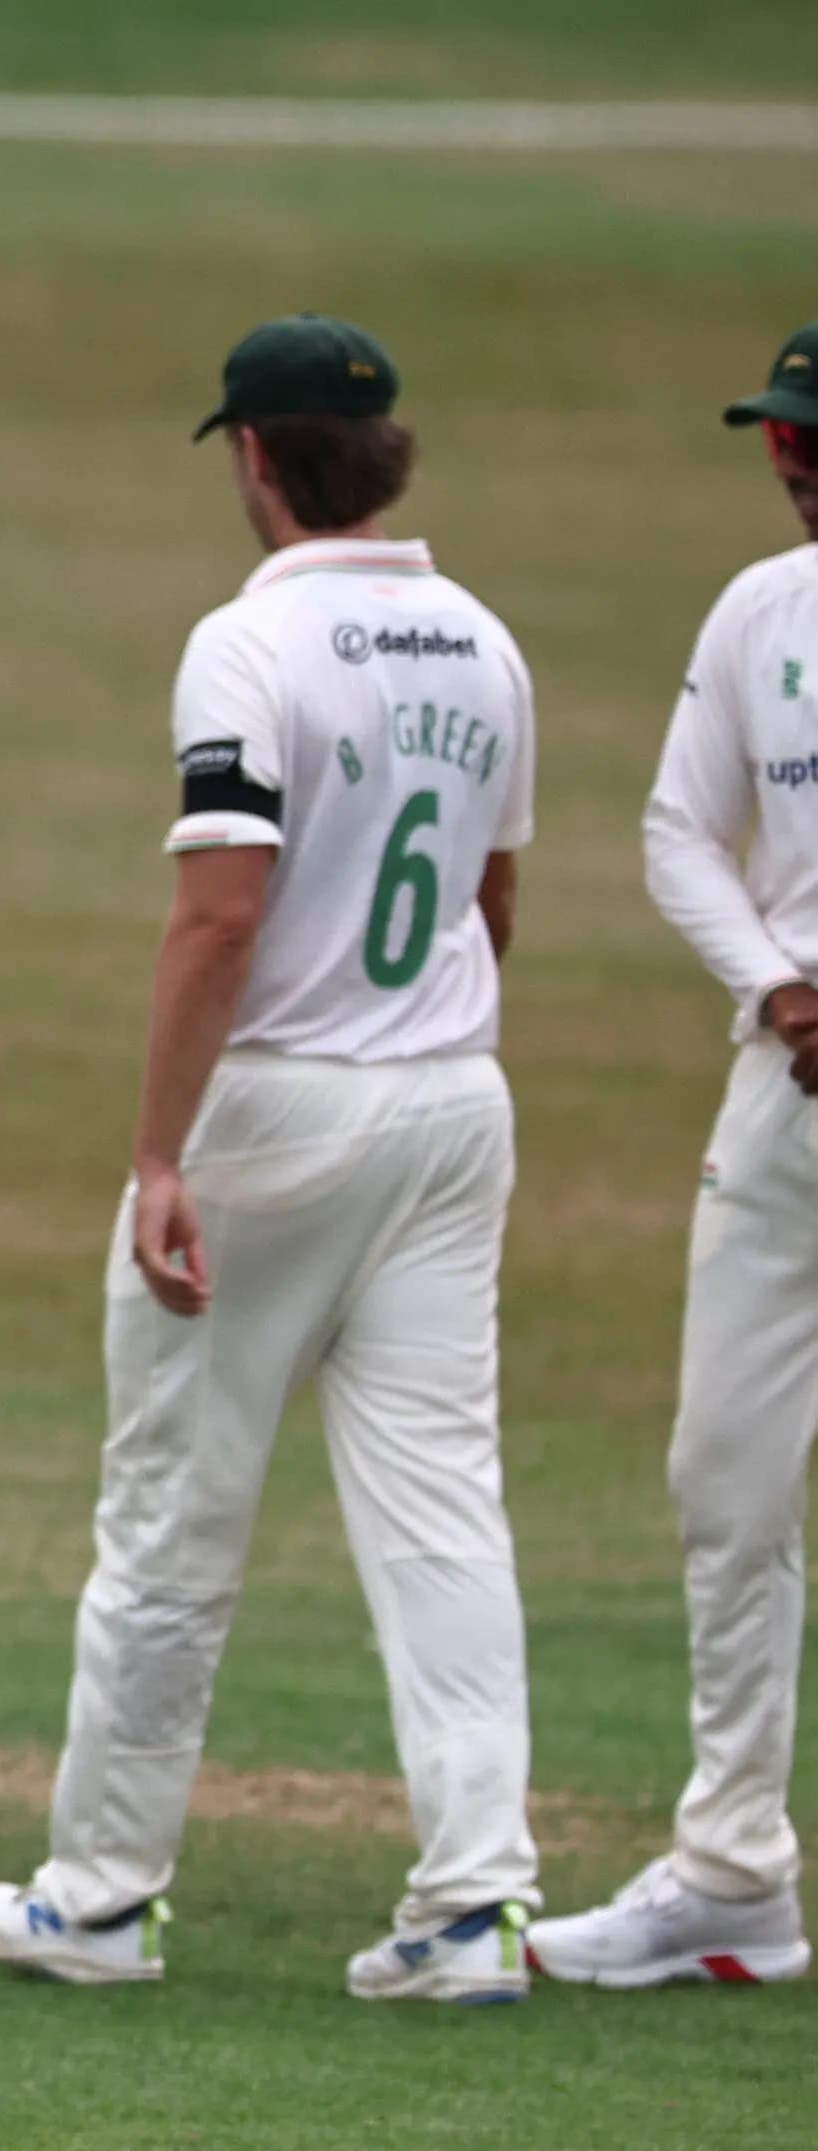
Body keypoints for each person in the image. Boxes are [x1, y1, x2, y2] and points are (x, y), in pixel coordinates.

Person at [0, 318, 543, 2000]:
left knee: (169, 1515)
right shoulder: (485, 642)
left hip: (285, 1109)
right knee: (444, 1514)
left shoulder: (246, 644)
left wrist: (160, 1153)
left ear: (258, 458)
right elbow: (494, 903)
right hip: (453, 1097)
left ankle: (101, 1894)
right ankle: (473, 1904)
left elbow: (219, 920)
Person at [530, 323, 818, 1989]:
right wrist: (777, 984)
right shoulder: (757, 613)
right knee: (726, 1477)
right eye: (780, 432)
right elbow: (674, 828)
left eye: (812, 434)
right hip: (782, 1098)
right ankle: (733, 1869)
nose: (789, 458)